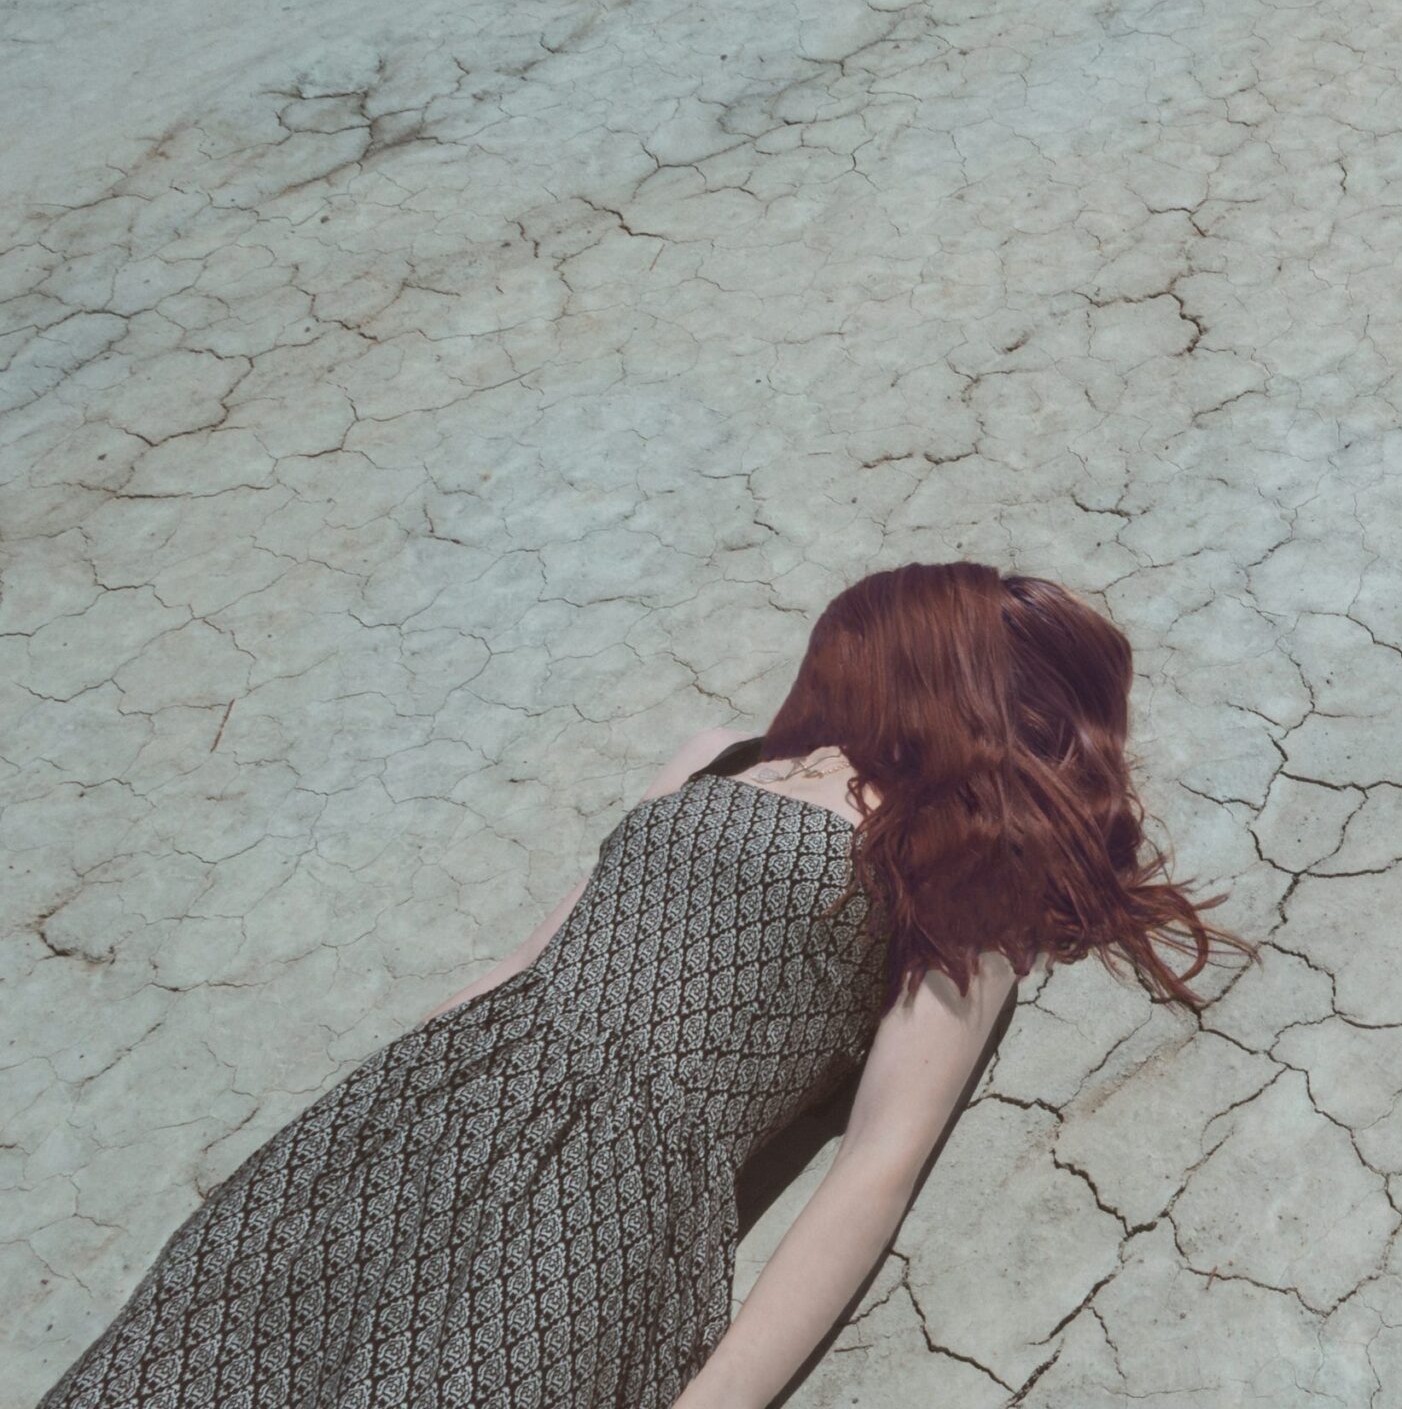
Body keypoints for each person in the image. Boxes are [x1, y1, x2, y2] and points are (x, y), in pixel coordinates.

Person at [38, 561, 1254, 1409]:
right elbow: (526, 960)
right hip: (421, 1118)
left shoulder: (966, 861)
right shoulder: (718, 755)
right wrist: (344, 1126)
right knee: (193, 1357)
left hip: (608, 1188)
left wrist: (715, 1398)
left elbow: (879, 1165)